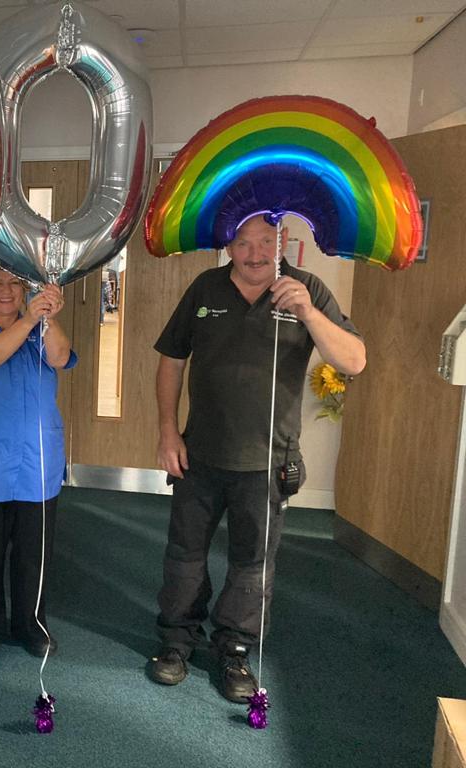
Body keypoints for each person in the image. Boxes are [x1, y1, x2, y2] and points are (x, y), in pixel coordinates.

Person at [149, 214, 366, 702]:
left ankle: (235, 648)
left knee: (253, 565)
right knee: (183, 556)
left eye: (264, 242)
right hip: (199, 455)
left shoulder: (306, 289)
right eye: (243, 243)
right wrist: (167, 430)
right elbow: (171, 360)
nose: (253, 253)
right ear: (229, 244)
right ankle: (177, 640)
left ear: (282, 242)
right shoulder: (205, 288)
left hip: (268, 463)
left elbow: (353, 360)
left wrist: (309, 313)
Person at [0, 261, 77, 665]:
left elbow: (59, 358)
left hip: (36, 461)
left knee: (33, 552)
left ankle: (31, 626)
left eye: (15, 284)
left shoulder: (42, 329)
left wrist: (49, 319)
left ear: (25, 292)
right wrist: (29, 321)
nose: (6, 291)